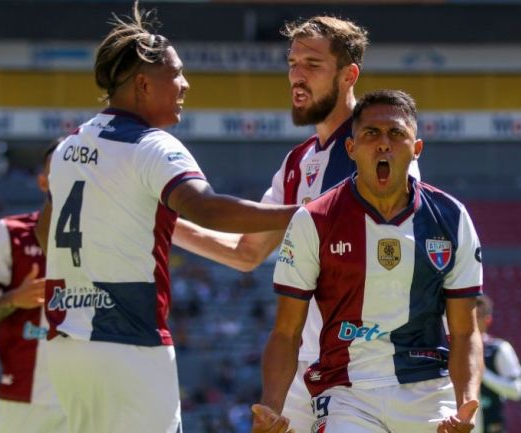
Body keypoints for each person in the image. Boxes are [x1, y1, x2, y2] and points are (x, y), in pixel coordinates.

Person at [34, 2, 297, 432]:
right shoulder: (152, 145)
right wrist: (309, 212)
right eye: (175, 73)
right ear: (142, 83)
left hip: (67, 346)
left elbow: (47, 235)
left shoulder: (68, 146)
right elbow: (208, 207)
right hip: (129, 343)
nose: (185, 84)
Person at [171, 16, 420, 433]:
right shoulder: (297, 164)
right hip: (307, 366)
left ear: (348, 75)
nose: (297, 76)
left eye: (312, 64)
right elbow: (246, 252)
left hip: (370, 366)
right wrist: (166, 224)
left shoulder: (381, 143)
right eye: (292, 63)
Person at [251, 89, 483, 433]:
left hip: (428, 392)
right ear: (351, 148)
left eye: (396, 134)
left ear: (416, 149)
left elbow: (465, 331)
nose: (384, 144)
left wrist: (466, 403)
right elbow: (286, 332)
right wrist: (271, 406)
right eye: (371, 134)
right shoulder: (313, 220)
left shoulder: (452, 218)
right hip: (347, 391)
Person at [0, 143, 66, 433]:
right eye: (59, 170)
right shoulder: (9, 233)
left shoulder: (102, 240)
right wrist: (15, 299)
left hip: (85, 395)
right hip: (22, 398)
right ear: (42, 181)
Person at [475, 295, 521, 433]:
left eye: (477, 315)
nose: (472, 320)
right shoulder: (452, 349)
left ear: (488, 320)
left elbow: (517, 390)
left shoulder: (499, 349)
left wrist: (483, 374)